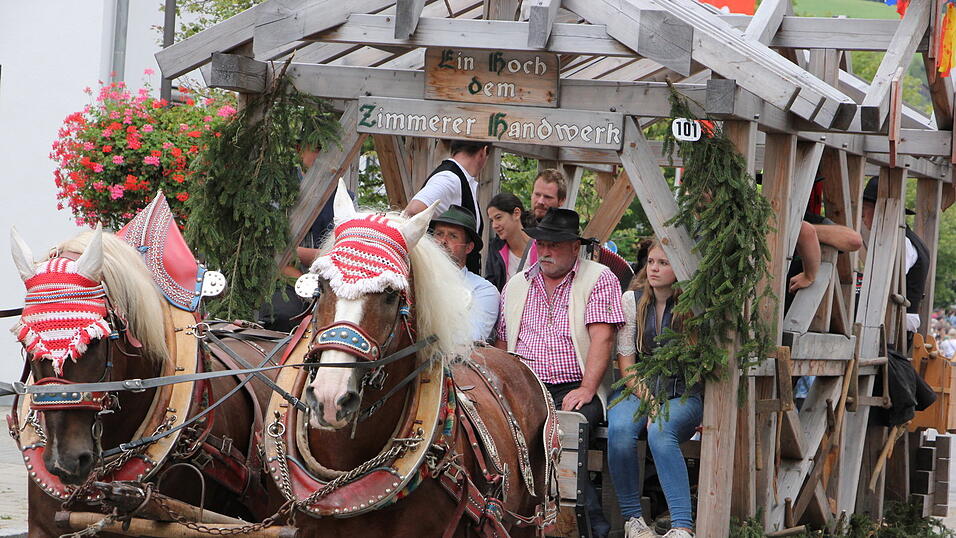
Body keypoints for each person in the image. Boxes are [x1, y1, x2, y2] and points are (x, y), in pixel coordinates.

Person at [495, 208, 624, 538]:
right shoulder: (516, 286)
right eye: (542, 243)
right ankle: (515, 522)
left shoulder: (598, 278)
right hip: (524, 386)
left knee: (565, 432)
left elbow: (603, 337)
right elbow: (501, 345)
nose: (546, 251)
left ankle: (589, 528)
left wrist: (587, 388)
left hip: (573, 385)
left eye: (555, 244)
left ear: (575, 247)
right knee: (496, 435)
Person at [607, 239, 700, 538]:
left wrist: (660, 409)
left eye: (664, 263)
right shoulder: (631, 301)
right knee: (619, 430)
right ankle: (633, 520)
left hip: (682, 391)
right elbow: (627, 366)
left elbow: (697, 365)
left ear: (679, 268)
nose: (655, 269)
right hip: (639, 388)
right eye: (651, 262)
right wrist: (651, 402)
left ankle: (682, 527)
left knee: (661, 432)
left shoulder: (693, 304)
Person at [406, 140, 492, 273]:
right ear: (484, 151)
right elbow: (412, 212)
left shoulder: (460, 178)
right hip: (443, 279)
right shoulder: (449, 178)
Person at [860, 176, 930, 334]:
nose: (862, 217)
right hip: (894, 320)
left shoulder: (901, 242)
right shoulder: (903, 239)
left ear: (880, 211)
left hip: (896, 323)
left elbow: (887, 284)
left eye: (864, 210)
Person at [430, 205, 499, 342]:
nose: (443, 241)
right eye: (439, 234)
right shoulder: (413, 280)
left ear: (469, 247)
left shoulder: (483, 290)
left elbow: (470, 340)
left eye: (453, 236)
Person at [484, 192, 537, 290]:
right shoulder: (495, 249)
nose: (494, 225)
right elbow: (490, 286)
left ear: (516, 213)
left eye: (498, 217)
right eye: (492, 220)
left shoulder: (541, 247)